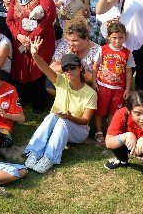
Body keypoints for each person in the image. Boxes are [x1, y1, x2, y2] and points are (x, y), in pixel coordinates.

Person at [23, 38, 97, 173]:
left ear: (81, 68)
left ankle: (50, 158)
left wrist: (68, 117)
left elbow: (85, 120)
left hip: (79, 130)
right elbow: (45, 68)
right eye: (66, 69)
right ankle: (34, 152)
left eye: (73, 68)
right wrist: (34, 54)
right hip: (60, 122)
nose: (69, 71)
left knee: (62, 120)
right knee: (52, 116)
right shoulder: (61, 81)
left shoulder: (90, 93)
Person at [6, 0, 57, 112]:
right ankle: (24, 98)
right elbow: (10, 20)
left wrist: (32, 37)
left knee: (37, 67)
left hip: (40, 40)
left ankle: (39, 104)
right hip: (21, 41)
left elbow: (49, 16)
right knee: (22, 68)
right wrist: (19, 36)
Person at [92, 22, 134, 145]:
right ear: (108, 37)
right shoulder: (103, 49)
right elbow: (96, 66)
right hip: (103, 86)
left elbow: (128, 71)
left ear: (125, 37)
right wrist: (94, 81)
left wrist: (127, 88)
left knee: (114, 111)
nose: (117, 40)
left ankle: (110, 132)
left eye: (120, 37)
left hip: (119, 88)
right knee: (100, 109)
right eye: (114, 37)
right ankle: (99, 132)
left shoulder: (127, 53)